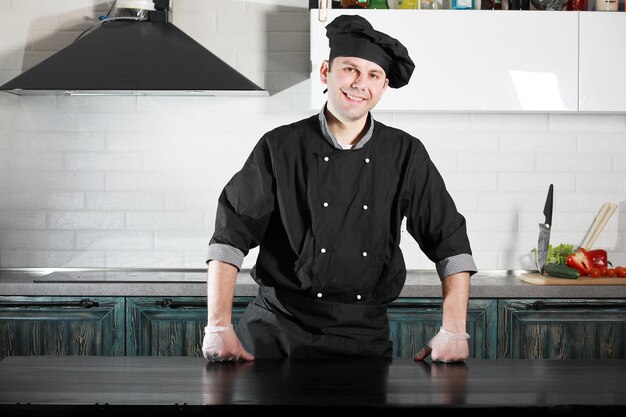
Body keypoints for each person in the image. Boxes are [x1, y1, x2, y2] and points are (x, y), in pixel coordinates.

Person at [202, 14, 477, 363]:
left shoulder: (405, 153)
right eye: (350, 69)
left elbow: (450, 243)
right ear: (325, 72)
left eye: (373, 75)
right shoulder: (280, 146)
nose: (360, 83)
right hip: (277, 332)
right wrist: (218, 327)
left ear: (383, 87)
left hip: (363, 337)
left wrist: (454, 331)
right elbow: (230, 237)